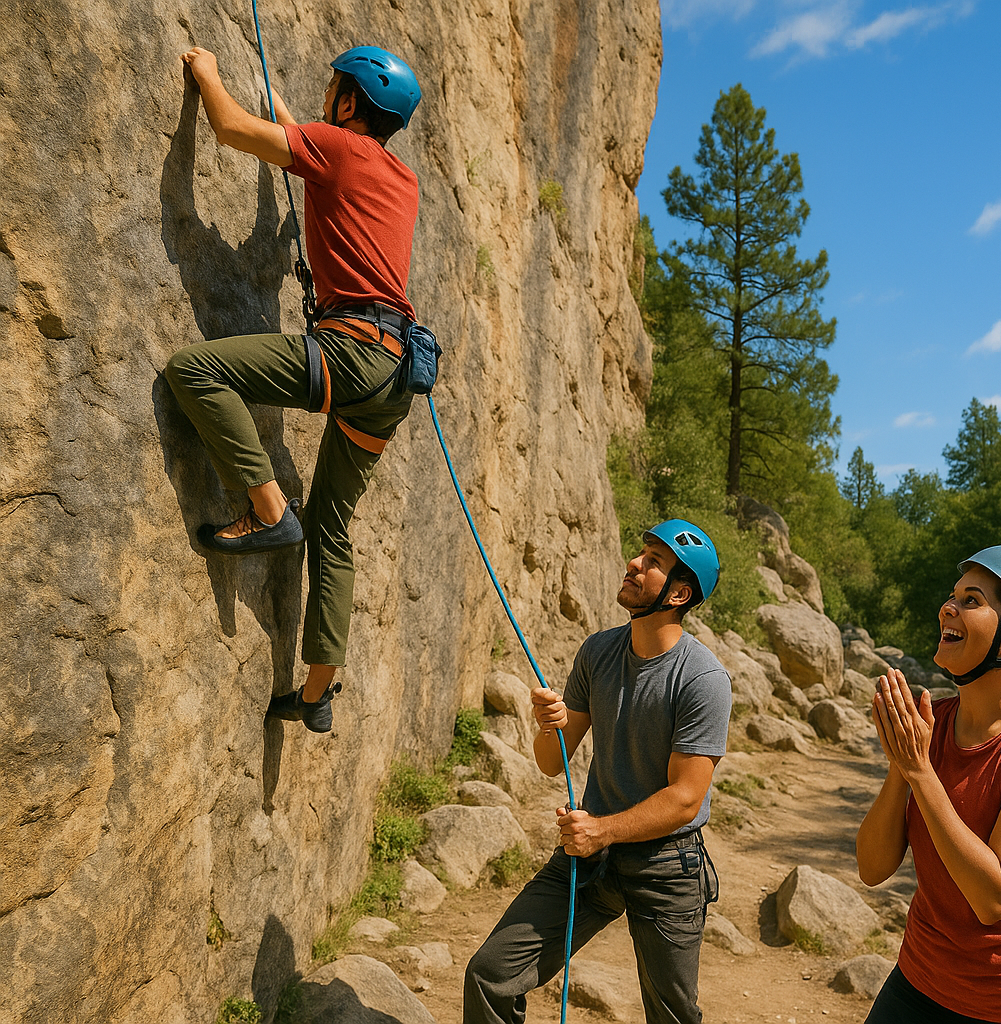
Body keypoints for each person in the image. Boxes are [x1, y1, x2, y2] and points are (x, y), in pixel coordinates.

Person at [164, 44, 423, 732]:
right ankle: (314, 694)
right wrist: (280, 106)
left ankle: (267, 508)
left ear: (350, 102)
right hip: (395, 375)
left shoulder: (337, 150)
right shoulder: (399, 176)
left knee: (195, 370)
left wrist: (207, 72)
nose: (326, 95)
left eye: (335, 87)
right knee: (333, 527)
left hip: (351, 353)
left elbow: (230, 129)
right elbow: (301, 138)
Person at [464, 520, 732, 1024]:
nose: (635, 562)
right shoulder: (598, 651)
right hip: (592, 855)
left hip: (666, 865)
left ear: (678, 594)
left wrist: (601, 830)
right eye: (642, 552)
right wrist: (548, 724)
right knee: (491, 973)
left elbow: (685, 799)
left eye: (654, 561)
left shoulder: (702, 679)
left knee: (672, 1016)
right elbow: (551, 762)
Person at [857, 545, 1001, 1024]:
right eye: (952, 596)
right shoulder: (933, 723)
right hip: (921, 980)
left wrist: (920, 771)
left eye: (971, 601)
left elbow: (993, 897)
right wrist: (902, 766)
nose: (949, 607)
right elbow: (872, 868)